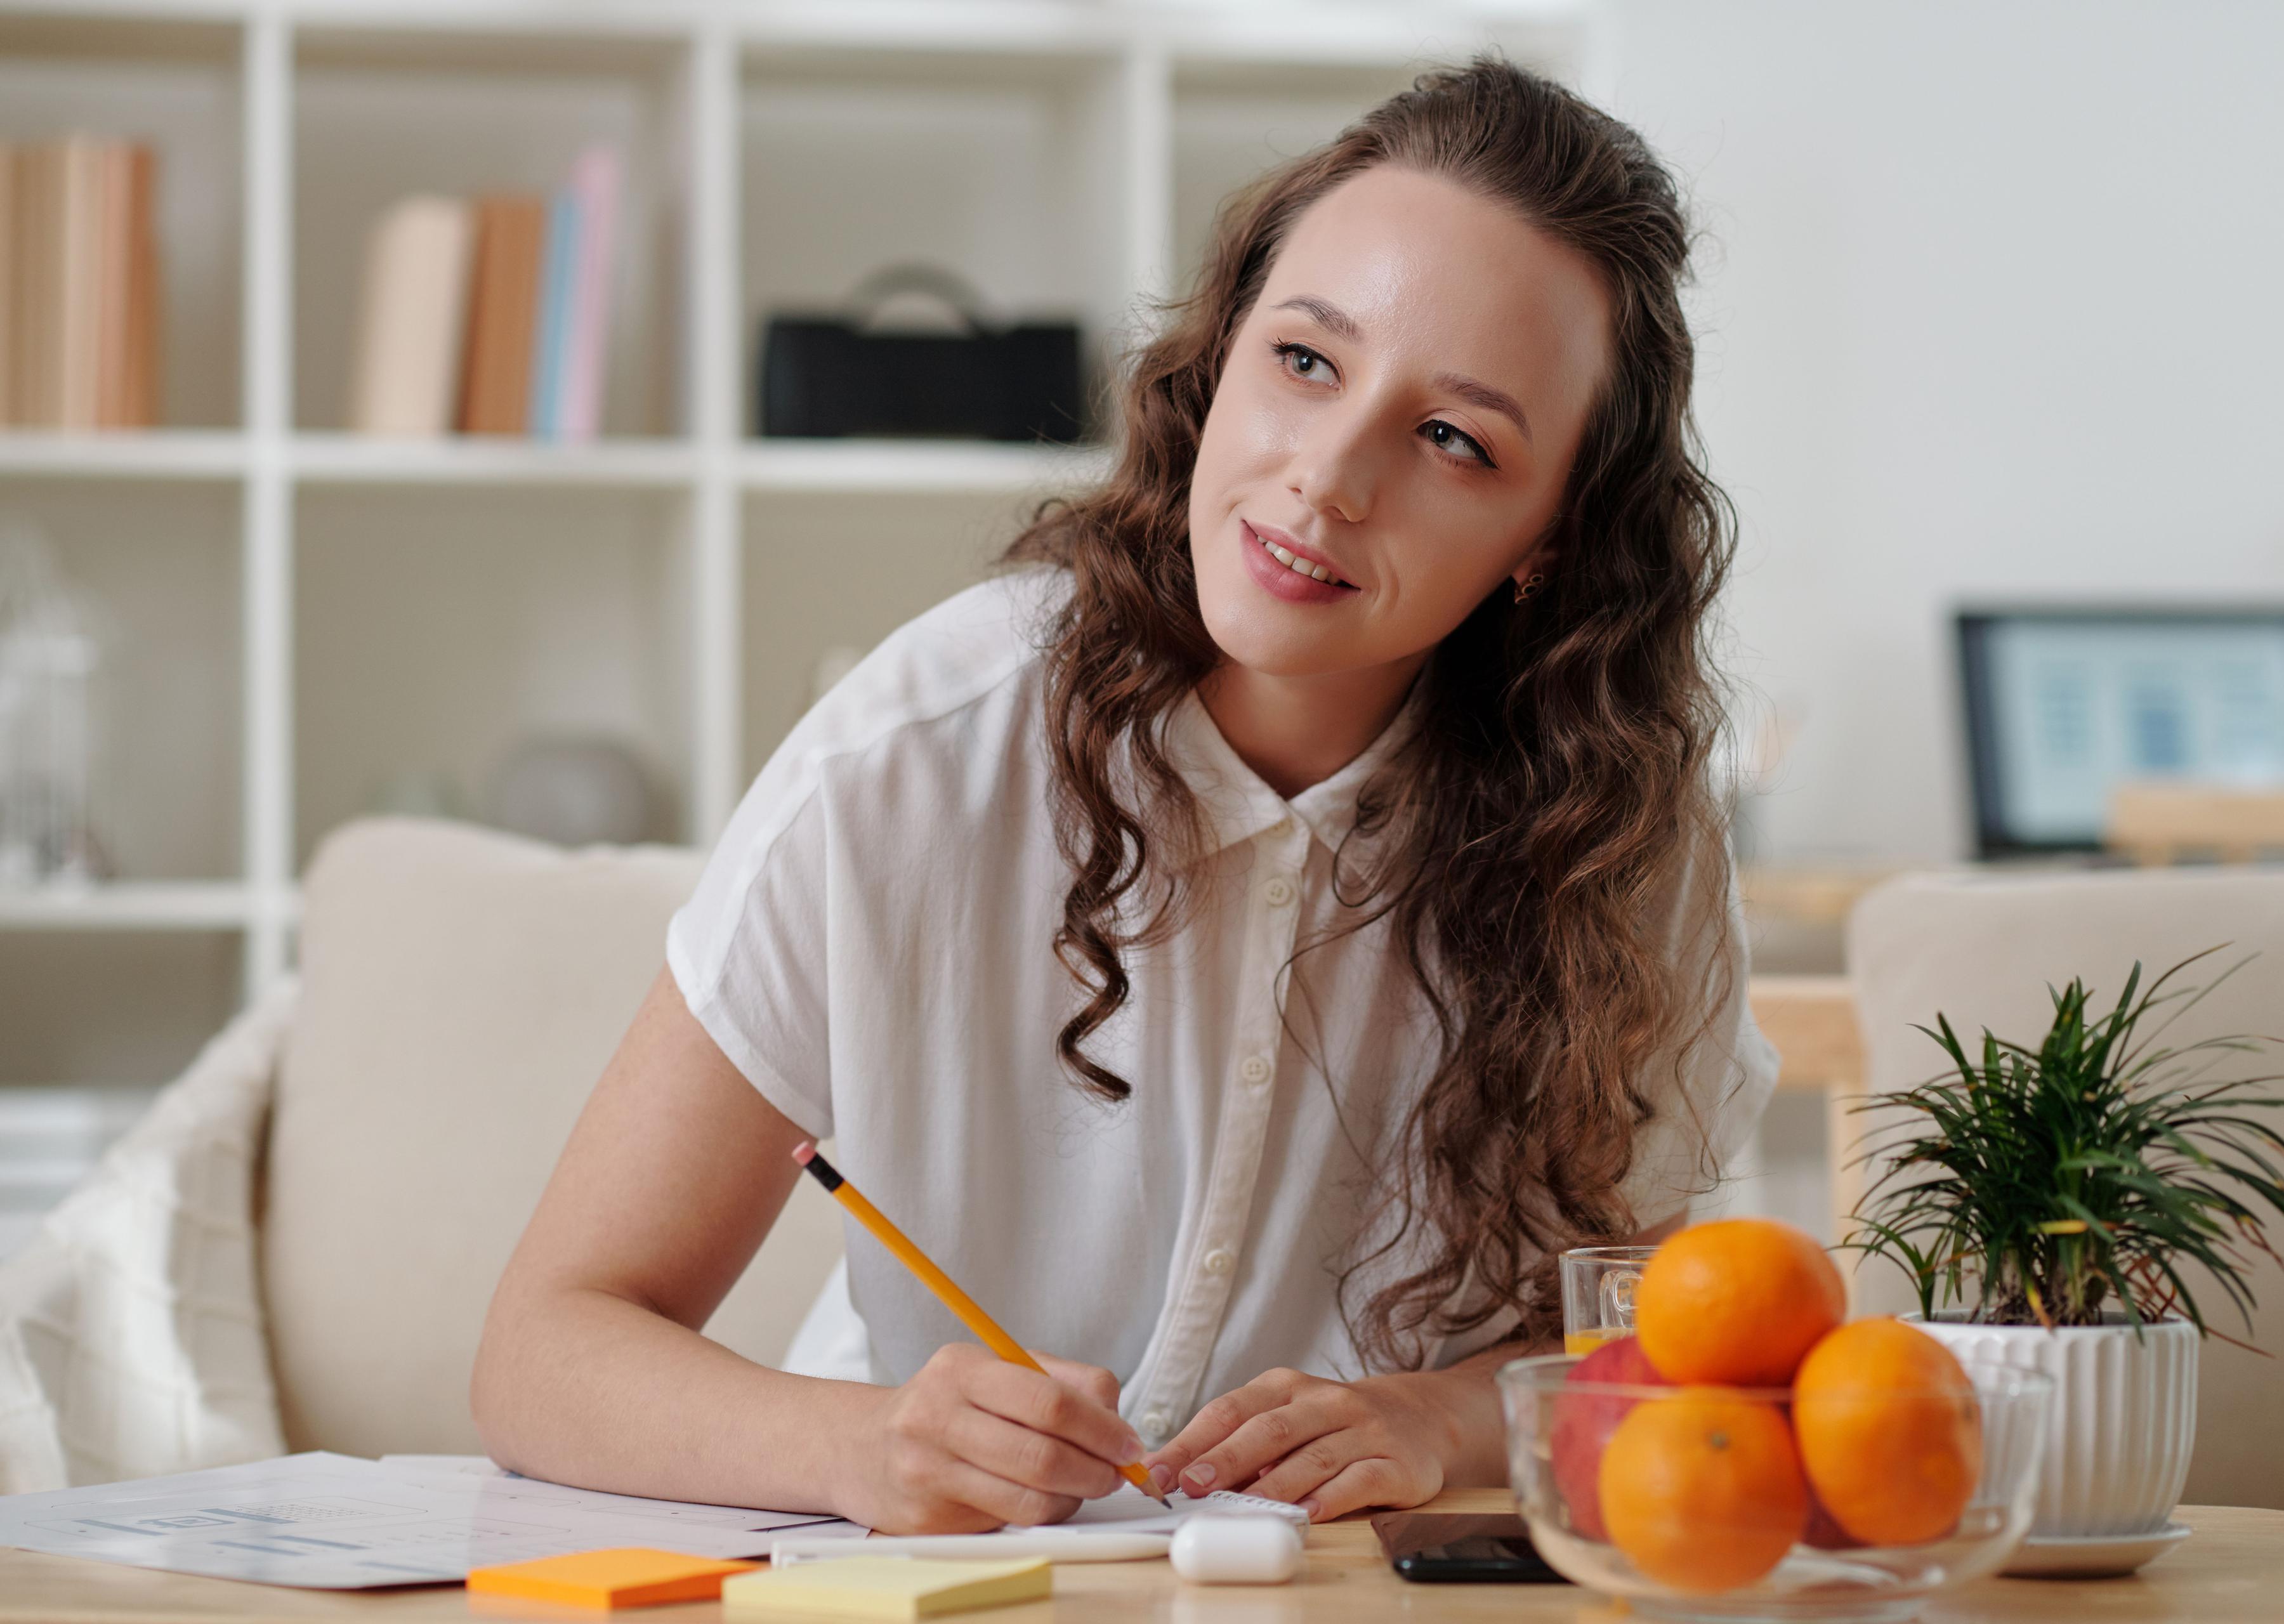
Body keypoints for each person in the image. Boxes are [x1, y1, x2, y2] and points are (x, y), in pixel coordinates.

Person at [471, 57, 1776, 1535]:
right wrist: (861, 1443)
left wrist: (1436, 1418)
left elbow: (1659, 1354)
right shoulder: (917, 754)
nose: (1328, 478)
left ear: (1550, 537)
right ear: (1219, 355)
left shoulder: (1617, 837)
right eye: (1303, 360)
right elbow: (542, 1349)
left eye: (1454, 440)